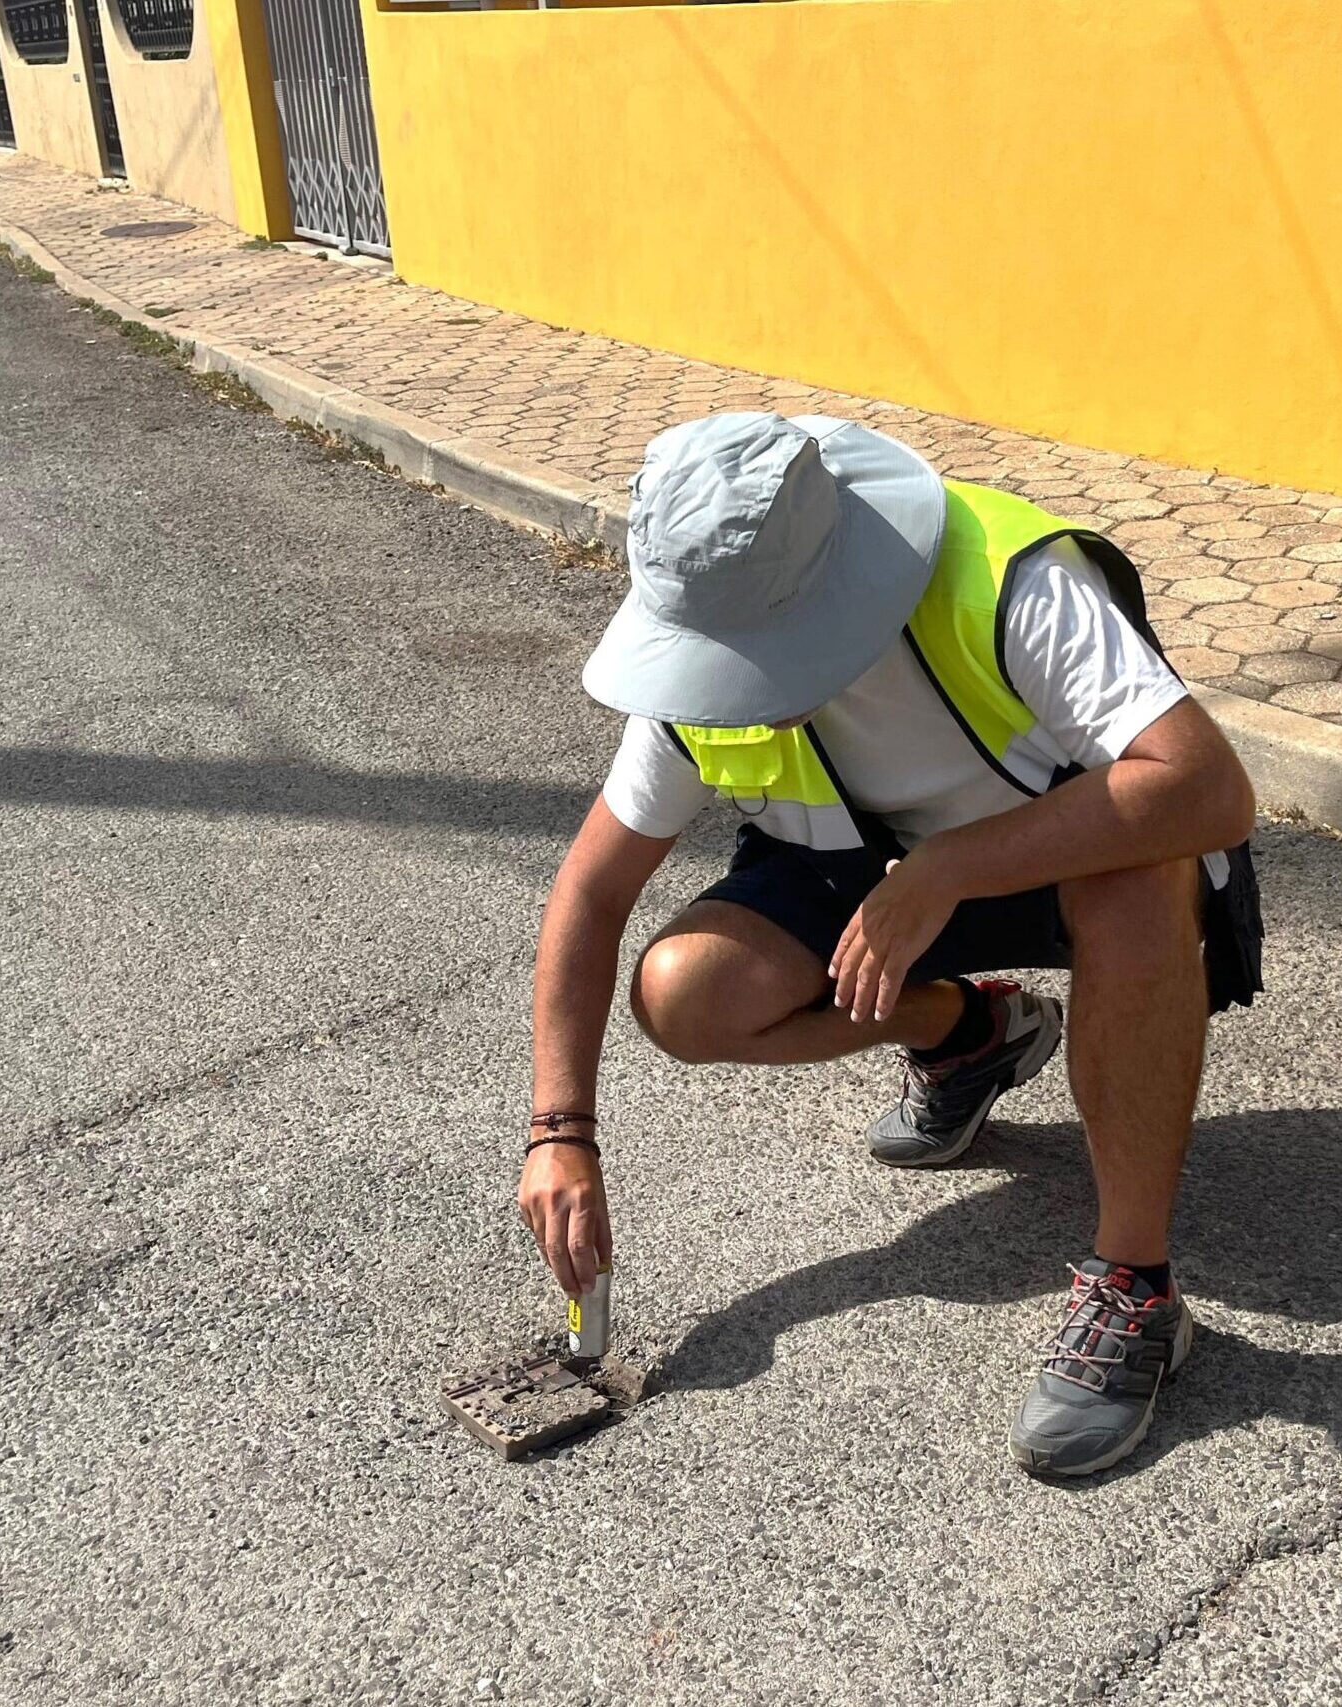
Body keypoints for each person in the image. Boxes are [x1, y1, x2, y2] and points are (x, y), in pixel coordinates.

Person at [518, 412, 1263, 1476]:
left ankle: (1134, 1287)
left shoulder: (1010, 580)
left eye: (755, 652)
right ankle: (970, 1035)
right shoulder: (719, 620)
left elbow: (1204, 788)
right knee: (684, 992)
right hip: (858, 875)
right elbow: (593, 892)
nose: (731, 676)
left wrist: (948, 869)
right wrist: (559, 1133)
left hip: (1054, 860)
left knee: (1144, 879)